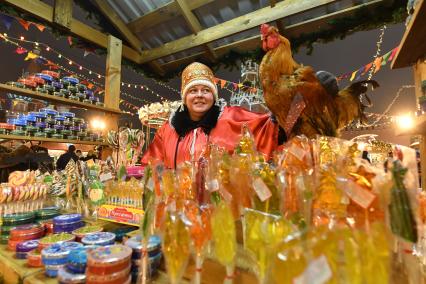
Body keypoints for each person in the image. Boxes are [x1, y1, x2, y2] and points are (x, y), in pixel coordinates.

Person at [141, 62, 286, 169]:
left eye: (205, 90)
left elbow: (267, 126)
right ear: (184, 97)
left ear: (214, 95)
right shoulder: (167, 130)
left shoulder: (233, 118)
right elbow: (152, 165)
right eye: (192, 91)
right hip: (178, 206)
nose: (199, 95)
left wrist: (281, 111)